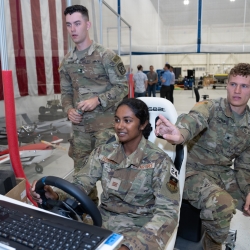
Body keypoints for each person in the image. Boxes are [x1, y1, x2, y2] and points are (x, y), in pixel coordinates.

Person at [30, 98, 180, 250]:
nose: (119, 126)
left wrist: (131, 247)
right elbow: (81, 183)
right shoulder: (103, 153)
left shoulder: (160, 161)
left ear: (142, 124)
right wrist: (56, 195)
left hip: (139, 230)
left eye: (127, 121)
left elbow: (167, 213)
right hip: (100, 222)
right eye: (117, 120)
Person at [155, 63, 250, 250]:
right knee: (222, 205)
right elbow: (194, 119)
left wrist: (248, 191)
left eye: (244, 86)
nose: (237, 90)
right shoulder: (211, 107)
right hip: (191, 171)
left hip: (221, 173)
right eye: (233, 84)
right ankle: (212, 246)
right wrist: (180, 133)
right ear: (227, 85)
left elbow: (244, 167)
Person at [59, 5, 128, 204]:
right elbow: (66, 93)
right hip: (80, 130)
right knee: (82, 177)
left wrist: (98, 100)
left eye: (77, 23)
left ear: (87, 24)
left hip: (105, 127)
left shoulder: (106, 56)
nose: (73, 29)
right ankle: (88, 214)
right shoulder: (66, 63)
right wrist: (69, 110)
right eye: (69, 25)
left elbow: (122, 87)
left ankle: (113, 216)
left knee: (110, 174)